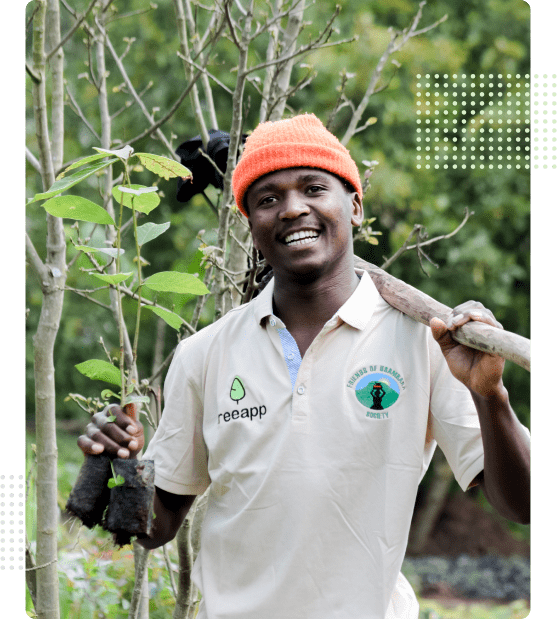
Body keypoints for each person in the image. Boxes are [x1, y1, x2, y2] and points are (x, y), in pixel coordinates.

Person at [78, 114, 531, 619]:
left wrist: (491, 396)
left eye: (314, 188)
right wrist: (121, 463)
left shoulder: (428, 344)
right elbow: (156, 528)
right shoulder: (205, 354)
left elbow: (527, 505)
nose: (293, 209)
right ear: (251, 226)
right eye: (268, 199)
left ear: (354, 206)